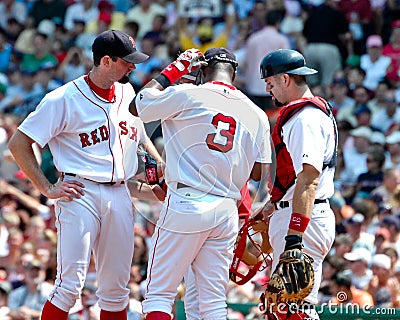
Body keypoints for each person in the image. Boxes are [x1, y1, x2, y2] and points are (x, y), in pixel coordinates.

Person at [8, 29, 165, 320]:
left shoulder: (127, 92)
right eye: (126, 61)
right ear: (106, 61)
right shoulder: (63, 99)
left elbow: (140, 138)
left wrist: (159, 171)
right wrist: (46, 187)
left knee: (117, 291)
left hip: (121, 191)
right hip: (80, 191)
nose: (133, 67)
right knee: (69, 287)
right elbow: (18, 143)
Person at [130, 47, 272, 319]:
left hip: (187, 201)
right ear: (234, 74)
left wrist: (175, 69)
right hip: (226, 210)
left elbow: (138, 105)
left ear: (202, 71)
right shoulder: (256, 113)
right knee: (214, 304)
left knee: (159, 295)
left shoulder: (187, 93)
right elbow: (257, 174)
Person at [259, 49, 337, 319]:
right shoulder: (306, 114)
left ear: (285, 79)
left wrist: (294, 237)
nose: (269, 91)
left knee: (292, 310)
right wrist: (272, 205)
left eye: (270, 83)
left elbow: (308, 178)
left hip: (305, 217)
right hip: (304, 213)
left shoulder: (305, 118)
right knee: (282, 308)